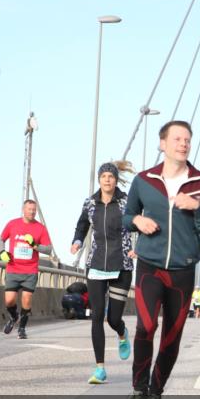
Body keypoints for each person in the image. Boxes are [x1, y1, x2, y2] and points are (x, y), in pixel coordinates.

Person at [118, 120, 200, 399]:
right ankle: (139, 390)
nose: (183, 144)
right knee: (146, 327)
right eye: (177, 139)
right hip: (149, 266)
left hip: (182, 269)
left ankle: (156, 394)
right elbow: (126, 216)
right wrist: (137, 221)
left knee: (172, 336)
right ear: (162, 144)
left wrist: (196, 208)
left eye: (187, 139)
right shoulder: (144, 180)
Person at [71, 162, 134, 384]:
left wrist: (138, 247)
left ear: (116, 179)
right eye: (104, 176)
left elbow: (138, 225)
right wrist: (77, 241)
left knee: (113, 318)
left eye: (111, 176)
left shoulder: (126, 202)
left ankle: (122, 332)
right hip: (96, 264)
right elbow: (82, 225)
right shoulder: (90, 203)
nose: (107, 179)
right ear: (99, 179)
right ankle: (100, 368)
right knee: (97, 315)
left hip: (122, 264)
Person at [0, 200, 53, 339]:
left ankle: (22, 329)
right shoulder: (13, 224)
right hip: (13, 268)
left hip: (30, 270)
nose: (32, 212)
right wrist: (2, 252)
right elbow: (1, 239)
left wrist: (35, 245)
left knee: (26, 300)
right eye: (29, 209)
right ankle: (14, 317)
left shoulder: (40, 228)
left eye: (34, 210)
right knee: (9, 301)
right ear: (23, 209)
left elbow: (48, 249)